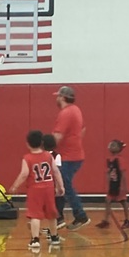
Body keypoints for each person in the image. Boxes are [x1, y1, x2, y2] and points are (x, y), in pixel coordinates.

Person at [10, 130, 65, 250]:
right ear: (42, 143)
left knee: (35, 215)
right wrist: (61, 186)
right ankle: (54, 237)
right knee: (52, 214)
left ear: (27, 144)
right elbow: (56, 171)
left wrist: (15, 186)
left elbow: (24, 174)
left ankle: (35, 239)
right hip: (49, 188)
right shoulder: (48, 156)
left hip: (35, 189)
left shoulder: (27, 158)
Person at [52, 86, 90, 230]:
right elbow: (83, 129)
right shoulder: (76, 110)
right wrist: (75, 141)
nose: (56, 99)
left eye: (58, 96)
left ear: (62, 97)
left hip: (68, 157)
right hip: (73, 155)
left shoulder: (66, 113)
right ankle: (59, 217)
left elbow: (58, 136)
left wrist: (45, 149)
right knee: (60, 185)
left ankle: (80, 215)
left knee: (64, 186)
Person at [96, 140, 129, 229]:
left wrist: (124, 186)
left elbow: (123, 174)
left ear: (119, 148)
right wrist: (108, 185)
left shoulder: (120, 159)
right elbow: (108, 173)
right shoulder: (109, 159)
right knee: (107, 201)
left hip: (119, 184)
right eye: (111, 145)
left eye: (114, 145)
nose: (111, 147)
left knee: (123, 202)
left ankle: (128, 220)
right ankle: (106, 221)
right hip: (112, 184)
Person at [42, 133, 65, 234]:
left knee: (53, 205)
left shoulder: (45, 155)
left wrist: (58, 186)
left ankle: (59, 220)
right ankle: (54, 225)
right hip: (50, 184)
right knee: (51, 206)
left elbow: (57, 171)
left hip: (49, 184)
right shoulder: (56, 155)